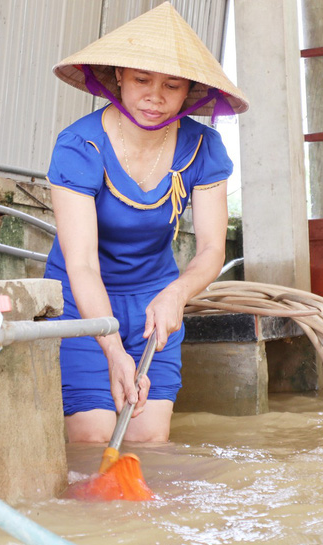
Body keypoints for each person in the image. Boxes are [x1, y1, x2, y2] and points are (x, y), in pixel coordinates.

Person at [44, 3, 249, 443]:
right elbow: (80, 264)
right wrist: (112, 346)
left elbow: (213, 249)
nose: (155, 96)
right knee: (93, 438)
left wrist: (176, 294)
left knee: (150, 441)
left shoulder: (203, 149)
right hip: (83, 304)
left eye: (171, 85)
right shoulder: (79, 146)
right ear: (118, 75)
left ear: (189, 90)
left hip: (156, 306)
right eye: (141, 80)